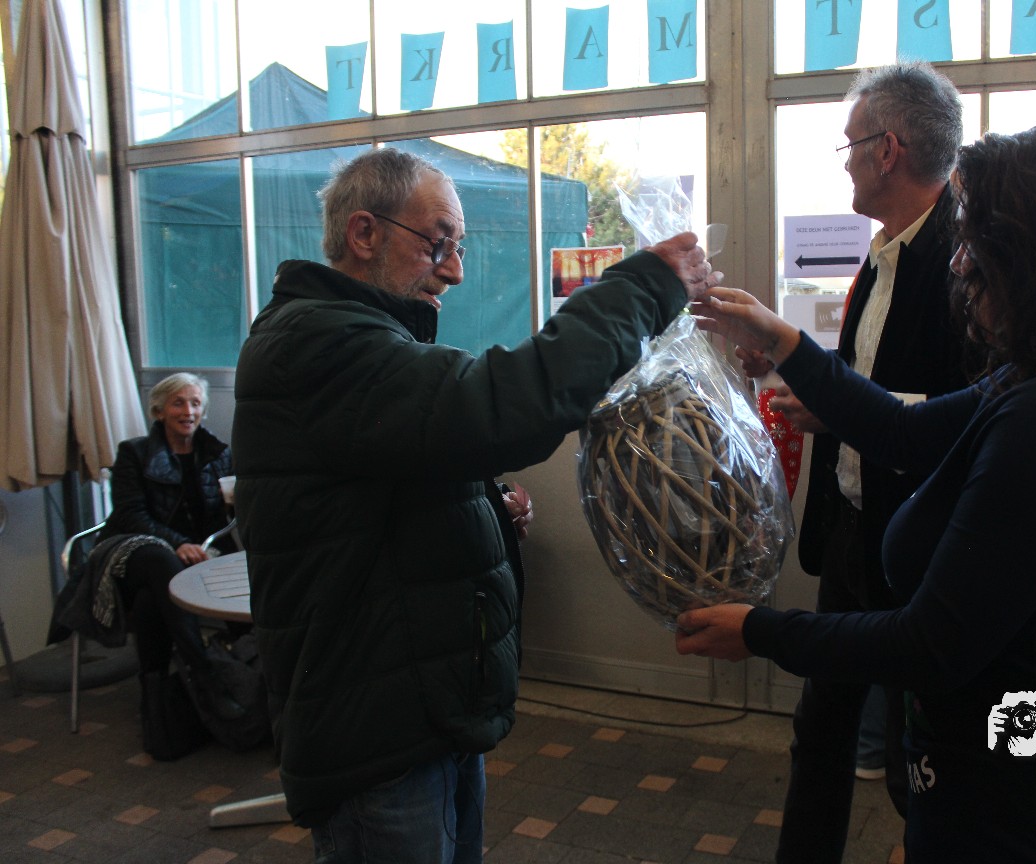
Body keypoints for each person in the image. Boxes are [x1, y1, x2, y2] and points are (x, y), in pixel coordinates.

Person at [677, 122, 1036, 862]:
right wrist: (782, 338)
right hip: (1023, 784)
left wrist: (760, 632)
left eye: (976, 242)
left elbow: (932, 644)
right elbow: (902, 432)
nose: (961, 263)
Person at [231, 147, 717, 862]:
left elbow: (387, 482)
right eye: (439, 244)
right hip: (375, 731)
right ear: (364, 233)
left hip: (420, 707)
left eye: (458, 248)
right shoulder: (317, 342)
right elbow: (500, 407)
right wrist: (644, 287)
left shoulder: (357, 337)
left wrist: (483, 505)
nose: (454, 270)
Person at [741, 61, 970, 857]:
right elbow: (868, 379)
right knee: (822, 729)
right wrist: (817, 396)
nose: (844, 164)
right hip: (851, 526)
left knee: (921, 756)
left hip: (919, 540)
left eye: (849, 147)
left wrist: (824, 383)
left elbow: (967, 412)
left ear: (887, 150)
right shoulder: (882, 251)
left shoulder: (965, 262)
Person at [94, 373, 242, 740]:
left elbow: (223, 522)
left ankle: (162, 704)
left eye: (195, 403)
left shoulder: (218, 453)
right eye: (178, 403)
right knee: (163, 562)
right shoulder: (134, 453)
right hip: (135, 551)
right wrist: (178, 543)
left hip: (187, 560)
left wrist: (238, 504)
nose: (188, 411)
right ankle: (204, 671)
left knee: (153, 601)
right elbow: (130, 515)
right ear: (159, 411)